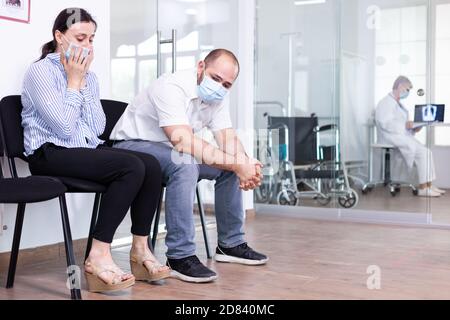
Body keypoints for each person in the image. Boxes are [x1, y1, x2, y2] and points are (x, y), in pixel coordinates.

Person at [21, 8, 170, 292]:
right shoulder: (39, 72)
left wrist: (85, 81)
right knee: (131, 166)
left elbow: (98, 126)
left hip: (82, 151)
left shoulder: (91, 76)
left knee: (150, 164)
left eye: (92, 39)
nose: (88, 46)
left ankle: (140, 250)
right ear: (59, 37)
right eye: (81, 37)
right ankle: (98, 256)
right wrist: (74, 82)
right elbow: (64, 129)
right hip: (49, 153)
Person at [110, 49, 268, 283]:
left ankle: (230, 244)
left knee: (227, 167)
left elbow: (228, 139)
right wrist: (238, 163)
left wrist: (245, 163)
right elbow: (182, 141)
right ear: (201, 66)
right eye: (215, 78)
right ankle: (179, 257)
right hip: (132, 146)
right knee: (185, 164)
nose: (219, 86)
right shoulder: (171, 86)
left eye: (226, 84)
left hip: (170, 151)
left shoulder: (217, 98)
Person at [375, 76, 445, 197]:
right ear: (400, 86)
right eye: (407, 89)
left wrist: (414, 128)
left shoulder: (399, 104)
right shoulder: (385, 102)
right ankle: (423, 188)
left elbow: (403, 127)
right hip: (389, 137)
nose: (408, 92)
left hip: (399, 136)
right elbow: (384, 123)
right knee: (423, 153)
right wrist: (405, 125)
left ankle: (429, 185)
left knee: (427, 152)